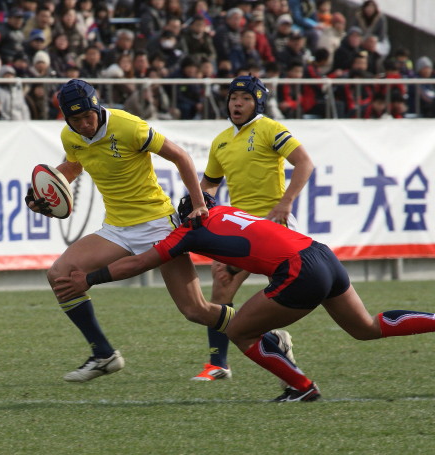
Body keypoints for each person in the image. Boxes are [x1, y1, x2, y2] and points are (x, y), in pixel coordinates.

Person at [53, 192, 435, 401]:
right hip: (321, 254)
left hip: (299, 270)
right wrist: (236, 267)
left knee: (240, 331)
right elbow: (252, 240)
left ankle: (302, 388)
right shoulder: (227, 211)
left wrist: (91, 278)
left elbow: (138, 262)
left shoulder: (187, 230)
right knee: (366, 327)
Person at [24, 79, 225, 383]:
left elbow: (180, 156)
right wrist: (45, 193)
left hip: (158, 225)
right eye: (76, 120)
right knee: (60, 275)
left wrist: (199, 204)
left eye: (88, 116)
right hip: (117, 229)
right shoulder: (70, 136)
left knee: (195, 310)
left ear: (97, 108)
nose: (84, 124)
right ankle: (103, 354)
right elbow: (74, 167)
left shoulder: (129, 126)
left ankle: (267, 335)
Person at [193, 74, 314, 381]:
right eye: (233, 98)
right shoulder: (221, 141)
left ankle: (275, 343)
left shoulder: (270, 128)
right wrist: (200, 204)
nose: (237, 103)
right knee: (222, 284)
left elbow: (304, 163)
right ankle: (218, 363)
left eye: (245, 99)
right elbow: (210, 183)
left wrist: (286, 203)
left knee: (287, 293)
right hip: (241, 227)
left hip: (274, 224)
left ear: (257, 103)